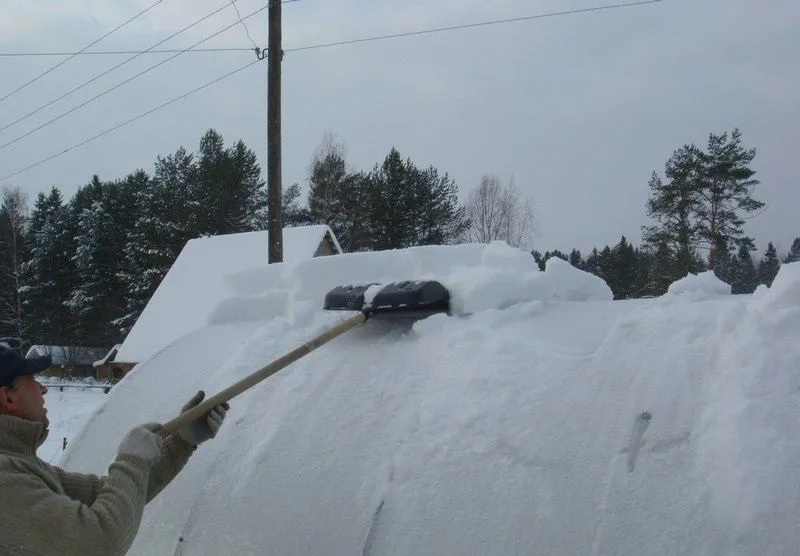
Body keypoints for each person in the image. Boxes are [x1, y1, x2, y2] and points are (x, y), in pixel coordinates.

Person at [0, 345, 229, 556]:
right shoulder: (6, 478)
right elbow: (97, 544)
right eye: (32, 379)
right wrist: (133, 458)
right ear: (7, 396)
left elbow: (108, 494)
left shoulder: (22, 464)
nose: (43, 388)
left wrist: (181, 441)